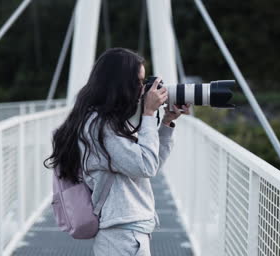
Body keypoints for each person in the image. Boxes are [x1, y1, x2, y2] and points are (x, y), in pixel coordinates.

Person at [46, 48, 190, 255]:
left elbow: (150, 163)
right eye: (139, 83)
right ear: (120, 84)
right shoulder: (99, 126)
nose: (143, 90)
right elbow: (146, 166)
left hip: (127, 234)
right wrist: (149, 113)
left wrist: (166, 123)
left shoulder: (105, 124)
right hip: (123, 237)